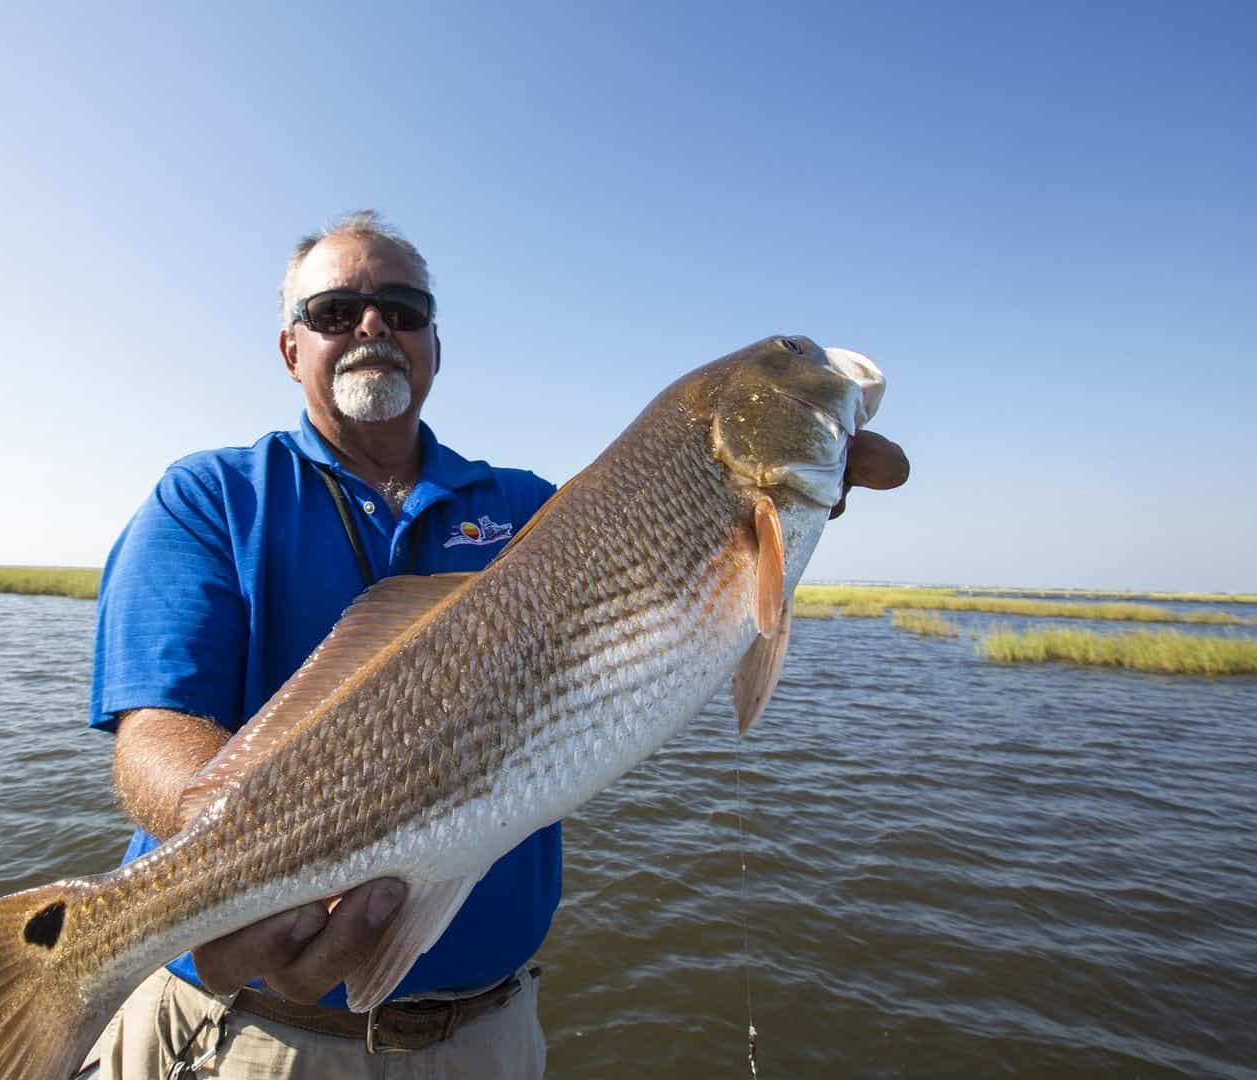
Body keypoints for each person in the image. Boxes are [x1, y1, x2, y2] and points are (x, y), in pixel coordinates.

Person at [82, 211, 908, 1079]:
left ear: (435, 342)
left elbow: (691, 611)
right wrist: (238, 855)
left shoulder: (533, 510)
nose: (372, 326)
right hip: (242, 1032)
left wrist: (784, 512)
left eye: (401, 309)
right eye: (334, 311)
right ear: (291, 348)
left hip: (489, 1037)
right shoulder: (208, 496)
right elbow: (153, 732)